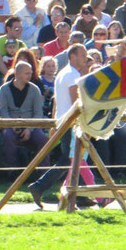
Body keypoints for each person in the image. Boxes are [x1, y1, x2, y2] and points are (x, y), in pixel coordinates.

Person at [28, 44, 88, 208]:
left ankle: (81, 194)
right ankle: (39, 186)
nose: (85, 58)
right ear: (73, 56)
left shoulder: (63, 73)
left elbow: (56, 100)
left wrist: (56, 122)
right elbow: (76, 101)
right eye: (83, 55)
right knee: (70, 159)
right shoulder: (72, 75)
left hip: (64, 121)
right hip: (71, 122)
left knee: (73, 158)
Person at [0, 62, 49, 175]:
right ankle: (12, 171)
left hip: (31, 124)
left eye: (30, 73)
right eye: (27, 73)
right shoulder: (4, 89)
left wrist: (29, 129)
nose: (30, 76)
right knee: (8, 137)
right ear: (18, 74)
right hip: (11, 124)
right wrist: (13, 125)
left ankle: (43, 172)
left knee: (43, 139)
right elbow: (4, 111)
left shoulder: (34, 89)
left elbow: (38, 112)